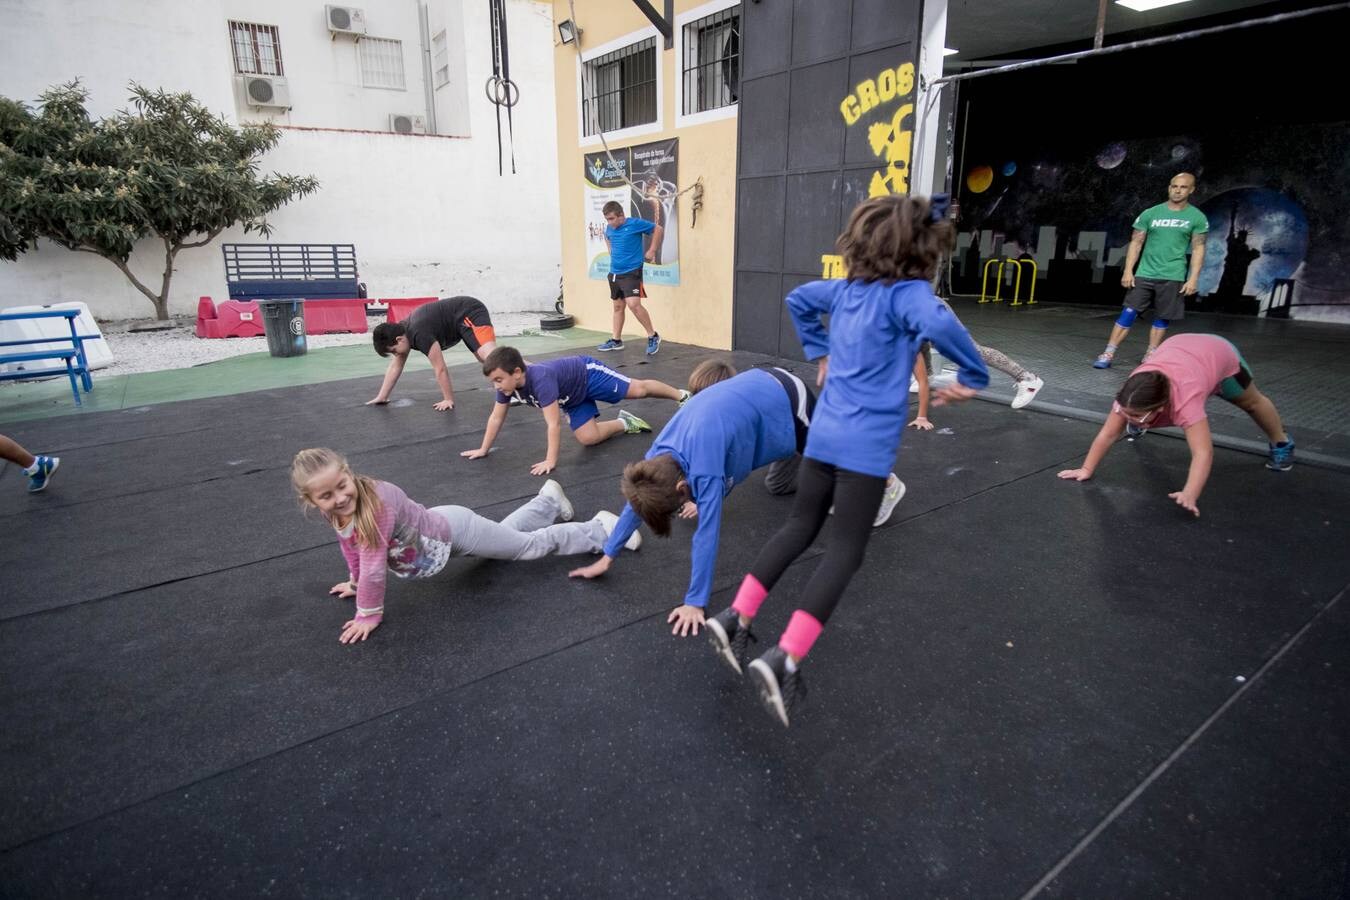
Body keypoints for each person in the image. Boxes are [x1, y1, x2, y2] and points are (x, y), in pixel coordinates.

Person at [705, 194, 990, 727]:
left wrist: (821, 352)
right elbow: (943, 323)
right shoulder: (910, 298)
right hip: (864, 451)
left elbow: (798, 298)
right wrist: (973, 377)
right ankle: (785, 658)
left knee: (798, 527)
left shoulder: (844, 290)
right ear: (923, 252)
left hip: (824, 439)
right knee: (845, 552)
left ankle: (736, 614)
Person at [567, 361, 906, 638]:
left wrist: (695, 602)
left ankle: (885, 482)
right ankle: (799, 449)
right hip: (759, 411)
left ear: (684, 487)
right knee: (778, 485)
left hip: (787, 397)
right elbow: (637, 500)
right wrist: (609, 555)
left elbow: (707, 535)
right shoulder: (657, 458)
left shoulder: (706, 469)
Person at [291, 447, 637, 644]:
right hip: (437, 545)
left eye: (342, 485)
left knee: (526, 548)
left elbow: (372, 566)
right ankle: (547, 501)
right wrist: (353, 583)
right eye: (326, 495)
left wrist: (368, 613)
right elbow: (351, 549)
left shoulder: (375, 505)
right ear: (311, 500)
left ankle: (601, 529)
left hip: (453, 531)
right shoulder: (337, 513)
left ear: (349, 473)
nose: (339, 498)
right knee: (504, 540)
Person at [1060, 334, 1293, 517]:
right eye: (1128, 414)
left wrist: (1190, 492)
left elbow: (1203, 452)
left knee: (1251, 402)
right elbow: (1109, 433)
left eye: (1137, 416)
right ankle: (1143, 422)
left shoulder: (1186, 401)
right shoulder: (1132, 392)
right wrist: (1086, 469)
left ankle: (1282, 442)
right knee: (1130, 416)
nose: (1125, 417)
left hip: (1217, 353)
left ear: (1161, 407)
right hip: (1178, 349)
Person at [461, 346, 689, 476]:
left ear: (518, 372)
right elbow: (495, 417)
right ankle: (625, 423)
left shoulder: (541, 379)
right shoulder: (507, 388)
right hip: (571, 397)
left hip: (587, 375)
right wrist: (483, 449)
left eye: (499, 379)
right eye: (493, 381)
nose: (497, 386)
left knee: (638, 390)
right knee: (588, 438)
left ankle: (682, 396)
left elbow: (553, 424)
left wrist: (550, 461)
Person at [1094, 173, 1208, 368]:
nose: (1177, 190)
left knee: (1162, 317)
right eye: (1174, 186)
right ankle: (1108, 353)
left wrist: (1193, 278)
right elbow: (1136, 242)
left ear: (1191, 190)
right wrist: (1128, 270)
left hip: (1173, 274)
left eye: (1182, 187)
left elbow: (1198, 248)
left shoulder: (1196, 217)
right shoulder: (1151, 213)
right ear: (1169, 187)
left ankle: (1151, 355)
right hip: (1145, 273)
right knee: (1128, 313)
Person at [367, 296, 499, 410]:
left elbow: (440, 368)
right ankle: (511, 378)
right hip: (458, 322)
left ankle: (515, 374)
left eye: (394, 351)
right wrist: (382, 396)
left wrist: (448, 399)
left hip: (469, 311)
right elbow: (395, 367)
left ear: (399, 340)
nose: (396, 356)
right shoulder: (403, 332)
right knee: (484, 358)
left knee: (485, 353)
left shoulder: (419, 334)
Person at [595, 200, 664, 356]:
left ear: (621, 215)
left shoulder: (634, 224)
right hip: (614, 273)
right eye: (607, 219)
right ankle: (616, 340)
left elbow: (658, 229)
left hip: (632, 272)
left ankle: (653, 335)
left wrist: (652, 250)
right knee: (618, 307)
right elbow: (607, 236)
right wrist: (610, 250)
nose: (610, 223)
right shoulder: (609, 228)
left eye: (612, 219)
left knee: (634, 304)